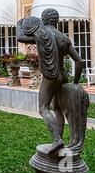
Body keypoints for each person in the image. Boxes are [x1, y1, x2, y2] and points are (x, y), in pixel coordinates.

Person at [17, 8, 84, 156]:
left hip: (50, 77)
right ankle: (58, 141)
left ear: (43, 20)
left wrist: (19, 24)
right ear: (56, 20)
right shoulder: (63, 38)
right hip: (63, 76)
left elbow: (20, 37)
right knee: (58, 109)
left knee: (43, 108)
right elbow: (79, 62)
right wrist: (75, 82)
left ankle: (56, 139)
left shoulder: (41, 34)